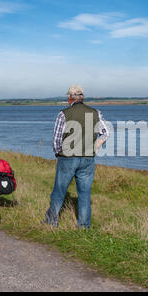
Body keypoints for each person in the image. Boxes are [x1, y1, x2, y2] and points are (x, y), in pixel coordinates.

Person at [43, 85, 110, 229]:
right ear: (82, 97)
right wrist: (96, 147)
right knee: (84, 193)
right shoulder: (96, 113)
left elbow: (57, 138)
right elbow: (106, 133)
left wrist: (57, 152)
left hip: (67, 157)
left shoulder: (63, 113)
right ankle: (84, 226)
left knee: (59, 191)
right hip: (88, 158)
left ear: (69, 98)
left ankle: (51, 221)